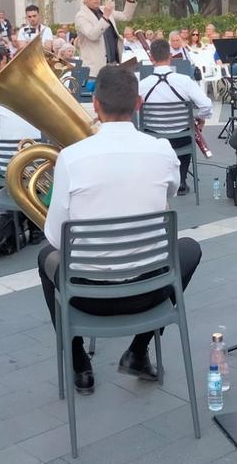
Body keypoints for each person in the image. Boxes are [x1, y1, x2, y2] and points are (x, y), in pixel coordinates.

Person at [39, 66, 202, 395]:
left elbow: (56, 238)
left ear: (95, 105)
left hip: (87, 297)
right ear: (139, 103)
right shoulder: (162, 150)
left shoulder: (70, 157)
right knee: (190, 248)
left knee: (45, 256)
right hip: (150, 290)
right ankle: (139, 351)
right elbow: (170, 192)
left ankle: (77, 361)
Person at [138, 39, 213, 196]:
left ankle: (157, 181)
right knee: (187, 131)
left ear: (151, 58)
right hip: (181, 136)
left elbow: (131, 108)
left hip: (153, 136)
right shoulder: (184, 81)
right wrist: (200, 117)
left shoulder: (142, 84)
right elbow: (206, 105)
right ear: (170, 56)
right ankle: (181, 181)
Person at [75, 0, 138, 76]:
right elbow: (93, 35)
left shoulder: (104, 9)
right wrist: (105, 16)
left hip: (113, 64)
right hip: (94, 68)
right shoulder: (81, 16)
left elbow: (126, 16)